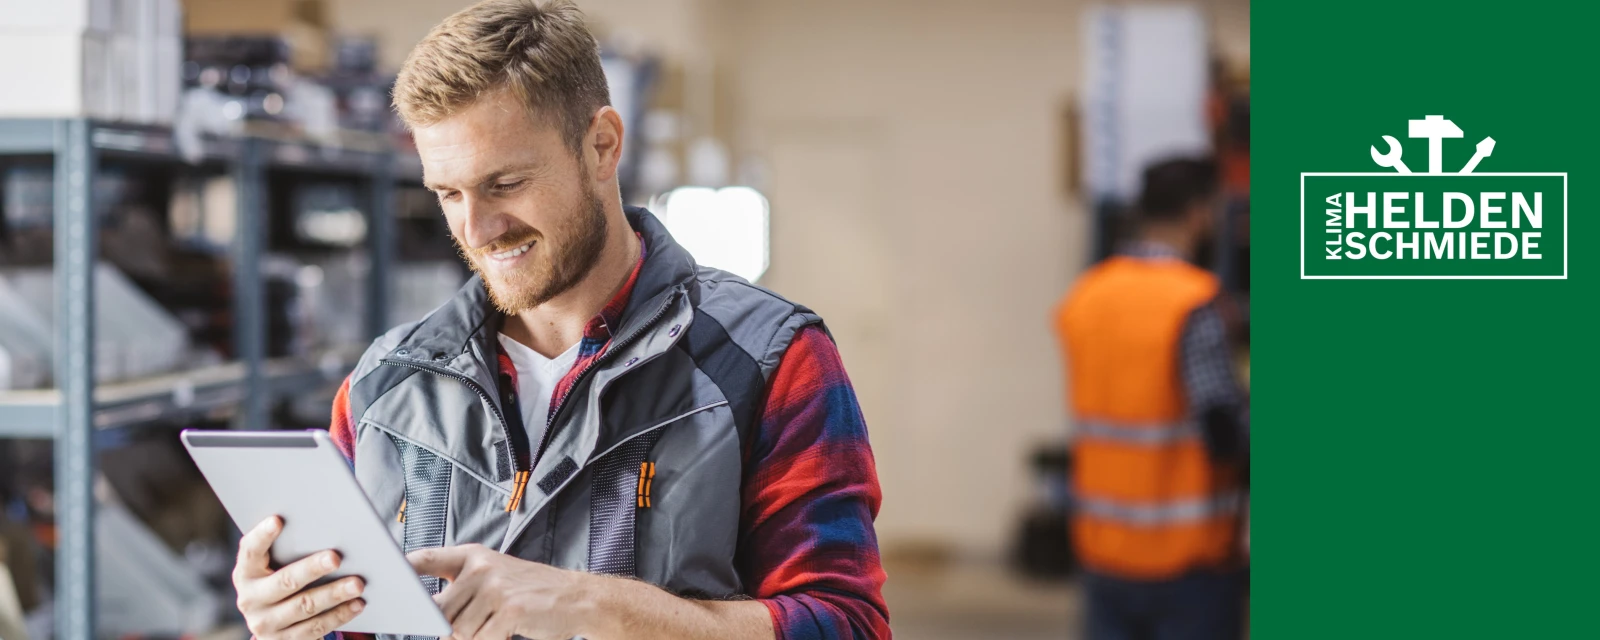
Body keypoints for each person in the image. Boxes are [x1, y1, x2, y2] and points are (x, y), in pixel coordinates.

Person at [225, 2, 889, 639]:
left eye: (506, 183)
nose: (477, 229)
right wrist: (293, 619)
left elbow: (845, 626)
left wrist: (591, 604)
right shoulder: (385, 388)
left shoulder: (767, 361)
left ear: (601, 145)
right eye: (448, 194)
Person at [1053, 158, 1248, 640]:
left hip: (1104, 552)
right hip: (1187, 563)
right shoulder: (1193, 301)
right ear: (1200, 213)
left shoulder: (1086, 295)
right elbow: (1222, 425)